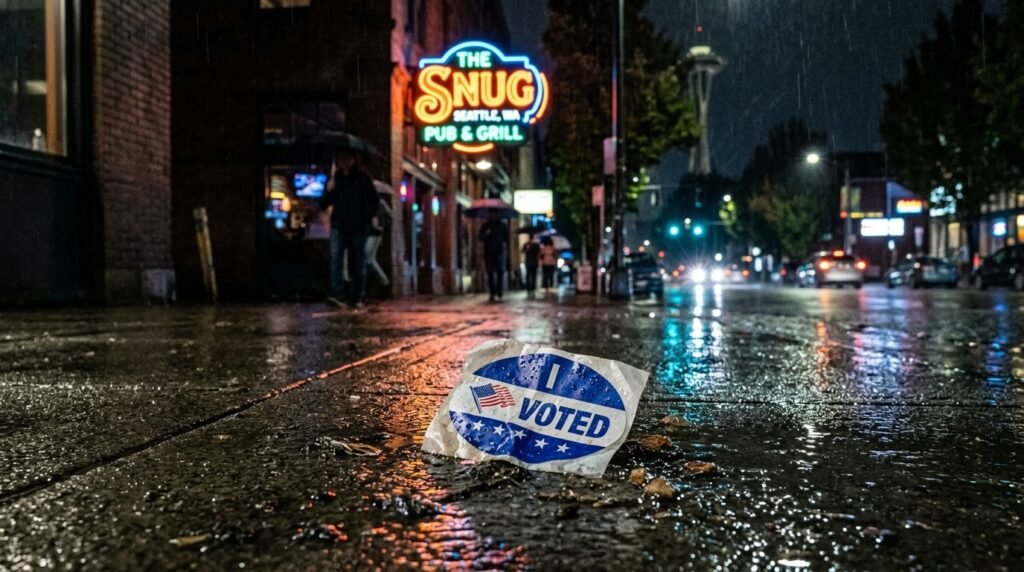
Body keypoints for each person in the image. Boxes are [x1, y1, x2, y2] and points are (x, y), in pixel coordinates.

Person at [318, 149, 379, 308]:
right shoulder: (336, 179)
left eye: (345, 158)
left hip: (358, 227)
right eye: (340, 159)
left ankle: (357, 296)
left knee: (357, 262)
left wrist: (364, 217)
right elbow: (325, 202)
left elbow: (373, 201)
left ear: (353, 160)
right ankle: (337, 294)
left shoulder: (362, 178)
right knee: (336, 260)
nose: (342, 162)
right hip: (339, 225)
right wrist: (328, 191)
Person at [478, 214, 509, 302]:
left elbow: (506, 238)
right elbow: (480, 237)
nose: (493, 217)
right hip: (489, 253)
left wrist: (503, 244)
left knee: (500, 273)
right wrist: (487, 234)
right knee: (490, 273)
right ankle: (492, 293)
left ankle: (499, 292)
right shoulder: (485, 226)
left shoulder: (502, 226)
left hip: (499, 252)